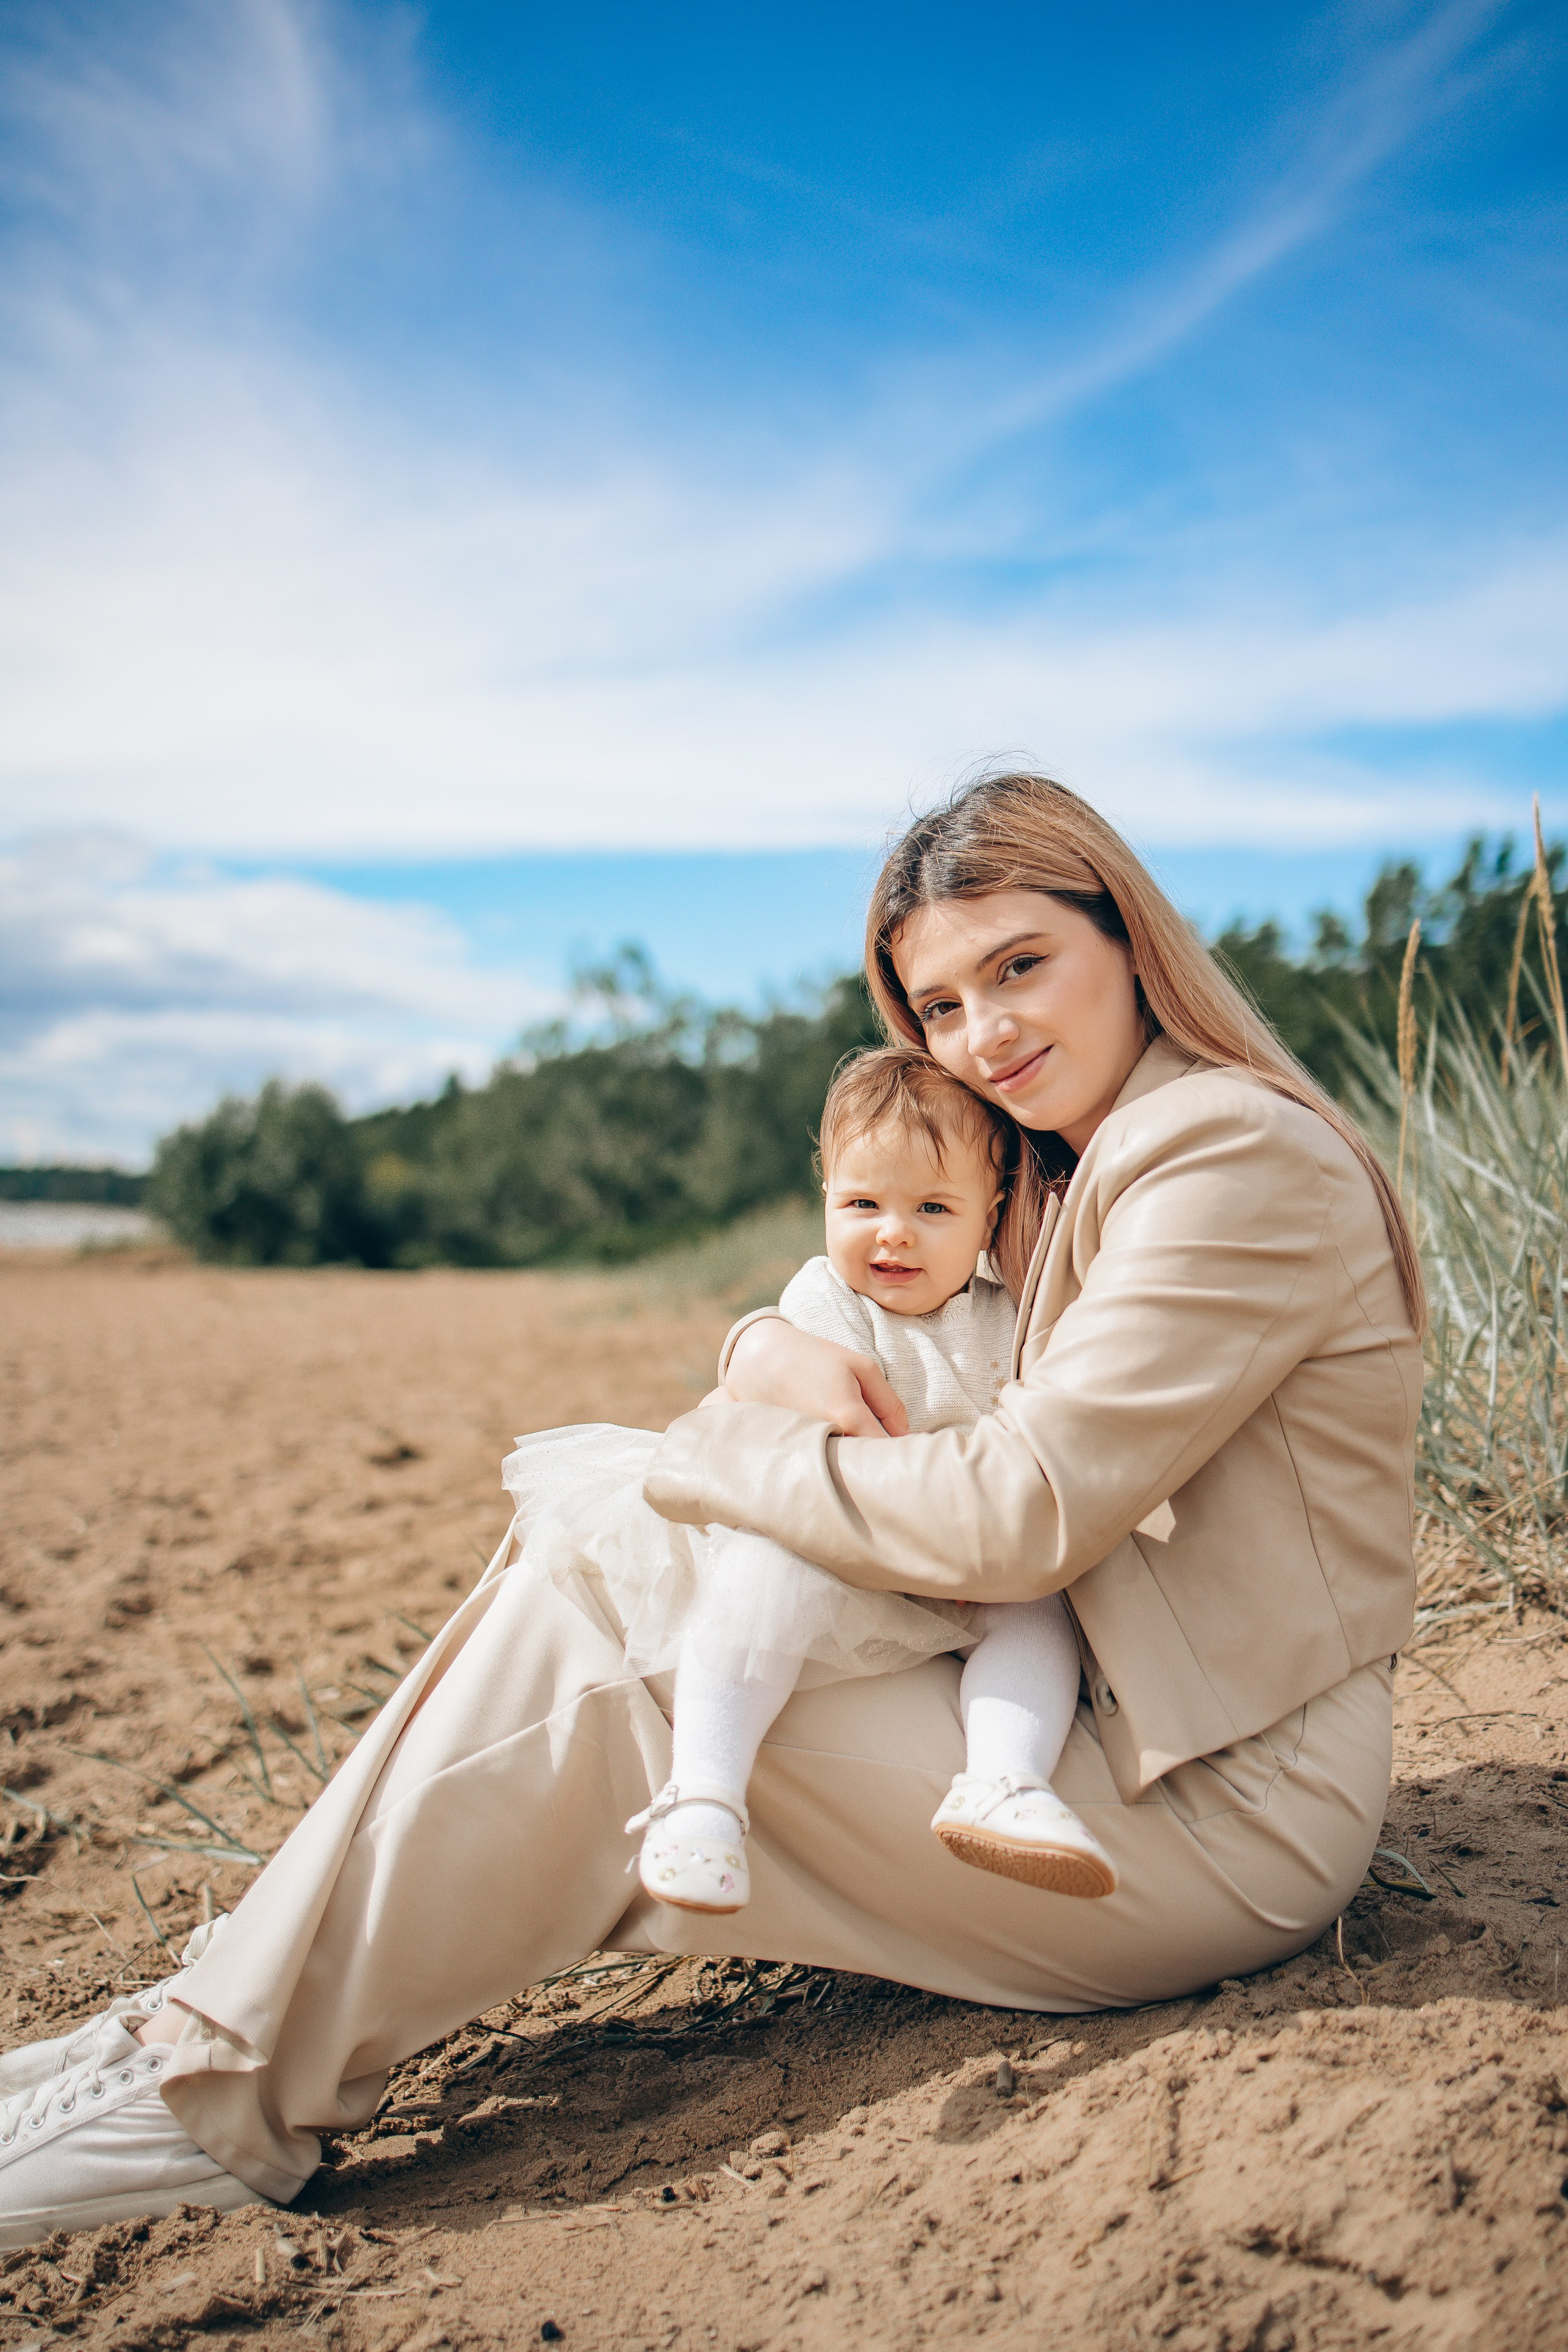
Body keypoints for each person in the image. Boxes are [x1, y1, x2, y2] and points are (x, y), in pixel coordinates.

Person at [0, 772, 1422, 2249]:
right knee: (594, 1591)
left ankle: (215, 2093)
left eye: (1019, 966)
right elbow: (898, 1316)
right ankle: (203, 2024)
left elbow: (1022, 1509)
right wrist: (758, 1347)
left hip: (1218, 1807)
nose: (982, 1035)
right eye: (937, 1007)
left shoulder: (1222, 1154)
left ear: (1125, 936)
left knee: (618, 1662)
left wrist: (702, 1453)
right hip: (1087, 1722)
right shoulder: (1061, 1155)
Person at [515, 1043, 1114, 1917]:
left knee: (1039, 1618)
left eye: (933, 1208)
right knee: (755, 1582)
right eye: (862, 1203)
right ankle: (703, 1796)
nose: (892, 1232)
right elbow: (802, 1438)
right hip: (835, 1538)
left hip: (965, 1550)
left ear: (990, 1216)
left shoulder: (1010, 1313)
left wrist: (990, 1539)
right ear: (826, 1197)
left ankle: (1003, 1780)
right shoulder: (826, 1302)